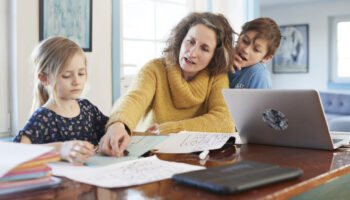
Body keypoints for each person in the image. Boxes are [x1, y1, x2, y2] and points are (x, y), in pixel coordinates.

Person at [98, 12, 236, 157]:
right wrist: (118, 124)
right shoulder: (155, 69)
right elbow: (134, 99)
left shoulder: (217, 77)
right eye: (190, 41)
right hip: (149, 154)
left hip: (191, 158)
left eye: (205, 48)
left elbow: (224, 122)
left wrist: (170, 129)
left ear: (215, 56)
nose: (192, 52)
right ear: (181, 39)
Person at [13, 37, 109, 165]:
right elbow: (16, 152)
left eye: (81, 73)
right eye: (66, 76)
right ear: (44, 78)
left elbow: (110, 129)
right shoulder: (43, 118)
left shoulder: (88, 109)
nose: (76, 81)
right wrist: (60, 149)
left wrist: (117, 127)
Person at [228, 17, 281, 89]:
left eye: (256, 49)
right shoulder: (224, 57)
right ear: (239, 36)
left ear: (266, 58)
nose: (246, 50)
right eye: (245, 41)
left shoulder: (257, 74)